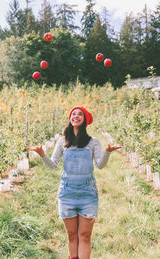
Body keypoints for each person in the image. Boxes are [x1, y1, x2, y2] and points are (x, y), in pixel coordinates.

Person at [28, 106, 121, 259]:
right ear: (70, 119)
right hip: (67, 192)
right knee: (72, 236)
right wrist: (42, 154)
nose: (76, 116)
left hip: (87, 193)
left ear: (85, 119)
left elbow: (100, 164)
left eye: (80, 114)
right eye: (73, 114)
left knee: (84, 236)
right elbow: (53, 165)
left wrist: (107, 152)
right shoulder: (63, 141)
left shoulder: (93, 142)